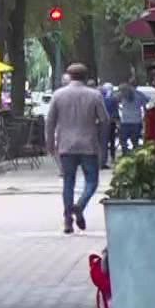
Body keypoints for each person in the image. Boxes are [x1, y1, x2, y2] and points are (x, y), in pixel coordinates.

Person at [45, 63, 109, 234]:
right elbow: (104, 120)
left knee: (68, 182)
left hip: (66, 145)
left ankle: (67, 220)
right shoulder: (94, 95)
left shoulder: (58, 95)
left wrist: (50, 143)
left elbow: (50, 121)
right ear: (86, 77)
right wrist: (103, 144)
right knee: (92, 182)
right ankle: (80, 205)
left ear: (69, 76)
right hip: (89, 145)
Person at [116, 77, 149, 153]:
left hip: (125, 121)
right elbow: (145, 107)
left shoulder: (123, 94)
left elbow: (115, 102)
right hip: (136, 121)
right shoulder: (140, 95)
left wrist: (121, 109)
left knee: (123, 140)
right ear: (137, 85)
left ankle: (125, 153)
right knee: (135, 142)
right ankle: (134, 156)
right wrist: (145, 118)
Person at [100, 82, 121, 167]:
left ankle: (102, 159)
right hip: (112, 121)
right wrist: (118, 121)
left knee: (103, 142)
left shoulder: (101, 98)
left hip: (103, 122)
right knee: (112, 140)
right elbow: (115, 111)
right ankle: (112, 157)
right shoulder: (113, 99)